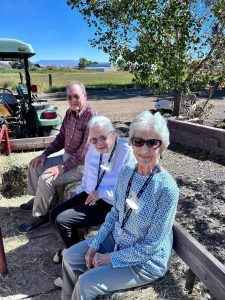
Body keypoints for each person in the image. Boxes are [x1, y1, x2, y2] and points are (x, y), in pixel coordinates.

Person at [61, 111, 179, 300]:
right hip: (118, 238)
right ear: (132, 143)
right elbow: (115, 213)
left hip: (144, 262)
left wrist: (107, 258)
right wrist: (96, 244)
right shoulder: (126, 172)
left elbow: (151, 246)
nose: (145, 149)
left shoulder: (166, 189)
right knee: (69, 256)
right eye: (138, 142)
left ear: (162, 146)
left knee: (86, 283)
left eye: (152, 142)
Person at [49, 115, 136, 265]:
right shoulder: (93, 149)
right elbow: (87, 175)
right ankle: (74, 251)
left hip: (111, 204)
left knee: (63, 221)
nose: (99, 143)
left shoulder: (126, 152)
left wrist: (101, 193)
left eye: (103, 138)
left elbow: (128, 187)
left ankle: (76, 260)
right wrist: (78, 193)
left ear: (113, 134)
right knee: (54, 214)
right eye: (94, 139)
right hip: (91, 194)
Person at [18, 81, 98, 233]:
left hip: (82, 166)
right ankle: (39, 201)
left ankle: (41, 216)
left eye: (76, 96)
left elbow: (83, 153)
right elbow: (61, 138)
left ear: (85, 96)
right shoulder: (69, 113)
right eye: (69, 97)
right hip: (67, 158)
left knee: (46, 178)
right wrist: (44, 154)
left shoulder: (91, 117)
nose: (73, 100)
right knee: (35, 166)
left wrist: (61, 168)